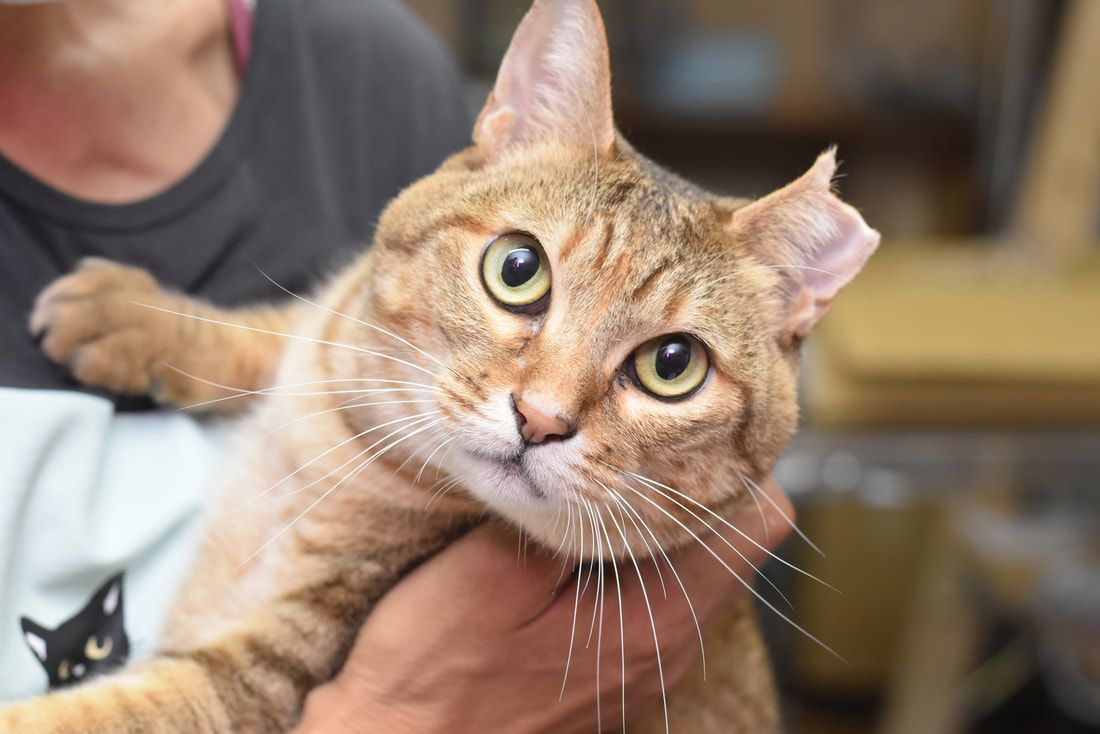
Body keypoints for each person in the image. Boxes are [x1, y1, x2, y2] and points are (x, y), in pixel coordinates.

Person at [0, 0, 792, 729]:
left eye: (668, 362)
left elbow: (246, 694)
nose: (546, 409)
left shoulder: (371, 74)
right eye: (520, 276)